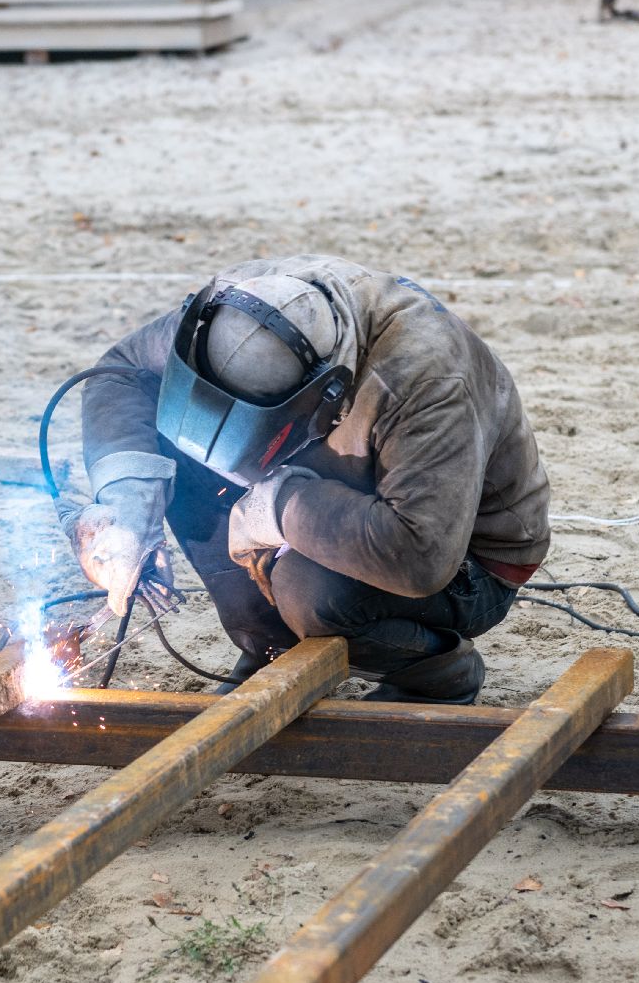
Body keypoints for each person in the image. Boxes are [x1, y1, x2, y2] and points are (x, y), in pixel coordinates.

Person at [61, 254, 549, 705]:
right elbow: (121, 373)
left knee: (308, 590)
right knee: (180, 440)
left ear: (324, 392)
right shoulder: (237, 309)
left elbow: (420, 556)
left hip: (465, 561)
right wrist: (129, 506)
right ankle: (269, 647)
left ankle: (436, 671)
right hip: (336, 495)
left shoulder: (426, 381)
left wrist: (279, 508)